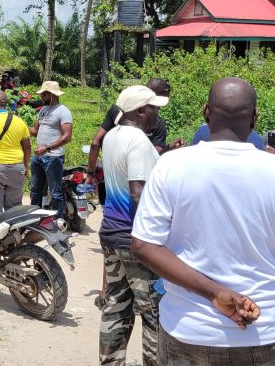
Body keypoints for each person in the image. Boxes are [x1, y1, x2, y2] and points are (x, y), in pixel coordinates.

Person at [131, 78, 275, 365]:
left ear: (206, 112)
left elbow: (144, 246)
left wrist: (214, 293)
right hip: (263, 331)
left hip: (188, 330)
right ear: (255, 117)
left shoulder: (171, 165)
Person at [98, 85, 169, 366]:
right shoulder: (138, 141)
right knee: (153, 314)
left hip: (110, 233)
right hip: (133, 240)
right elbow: (138, 193)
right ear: (141, 111)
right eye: (154, 108)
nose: (157, 113)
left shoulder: (112, 136)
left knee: (116, 306)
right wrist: (150, 242)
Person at [87, 78, 184, 176]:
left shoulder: (115, 117)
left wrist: (91, 173)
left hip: (111, 175)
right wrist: (168, 148)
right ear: (140, 112)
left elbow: (95, 142)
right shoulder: (145, 135)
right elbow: (152, 157)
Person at [29, 81, 72, 221]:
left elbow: (67, 137)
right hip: (38, 157)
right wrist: (20, 125)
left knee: (55, 192)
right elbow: (36, 132)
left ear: (52, 95)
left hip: (53, 157)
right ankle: (34, 219)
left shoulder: (63, 111)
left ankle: (57, 221)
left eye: (44, 93)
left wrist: (46, 148)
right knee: (35, 190)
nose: (41, 96)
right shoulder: (43, 110)